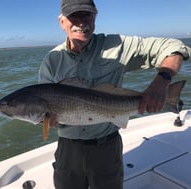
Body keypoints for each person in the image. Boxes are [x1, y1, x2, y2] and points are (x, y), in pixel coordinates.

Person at [38, 0, 190, 188]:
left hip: (107, 147)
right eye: (73, 16)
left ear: (95, 17)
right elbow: (44, 111)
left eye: (86, 14)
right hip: (68, 149)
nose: (81, 22)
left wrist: (162, 81)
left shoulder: (118, 45)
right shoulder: (52, 61)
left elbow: (174, 45)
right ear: (62, 22)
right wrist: (50, 120)